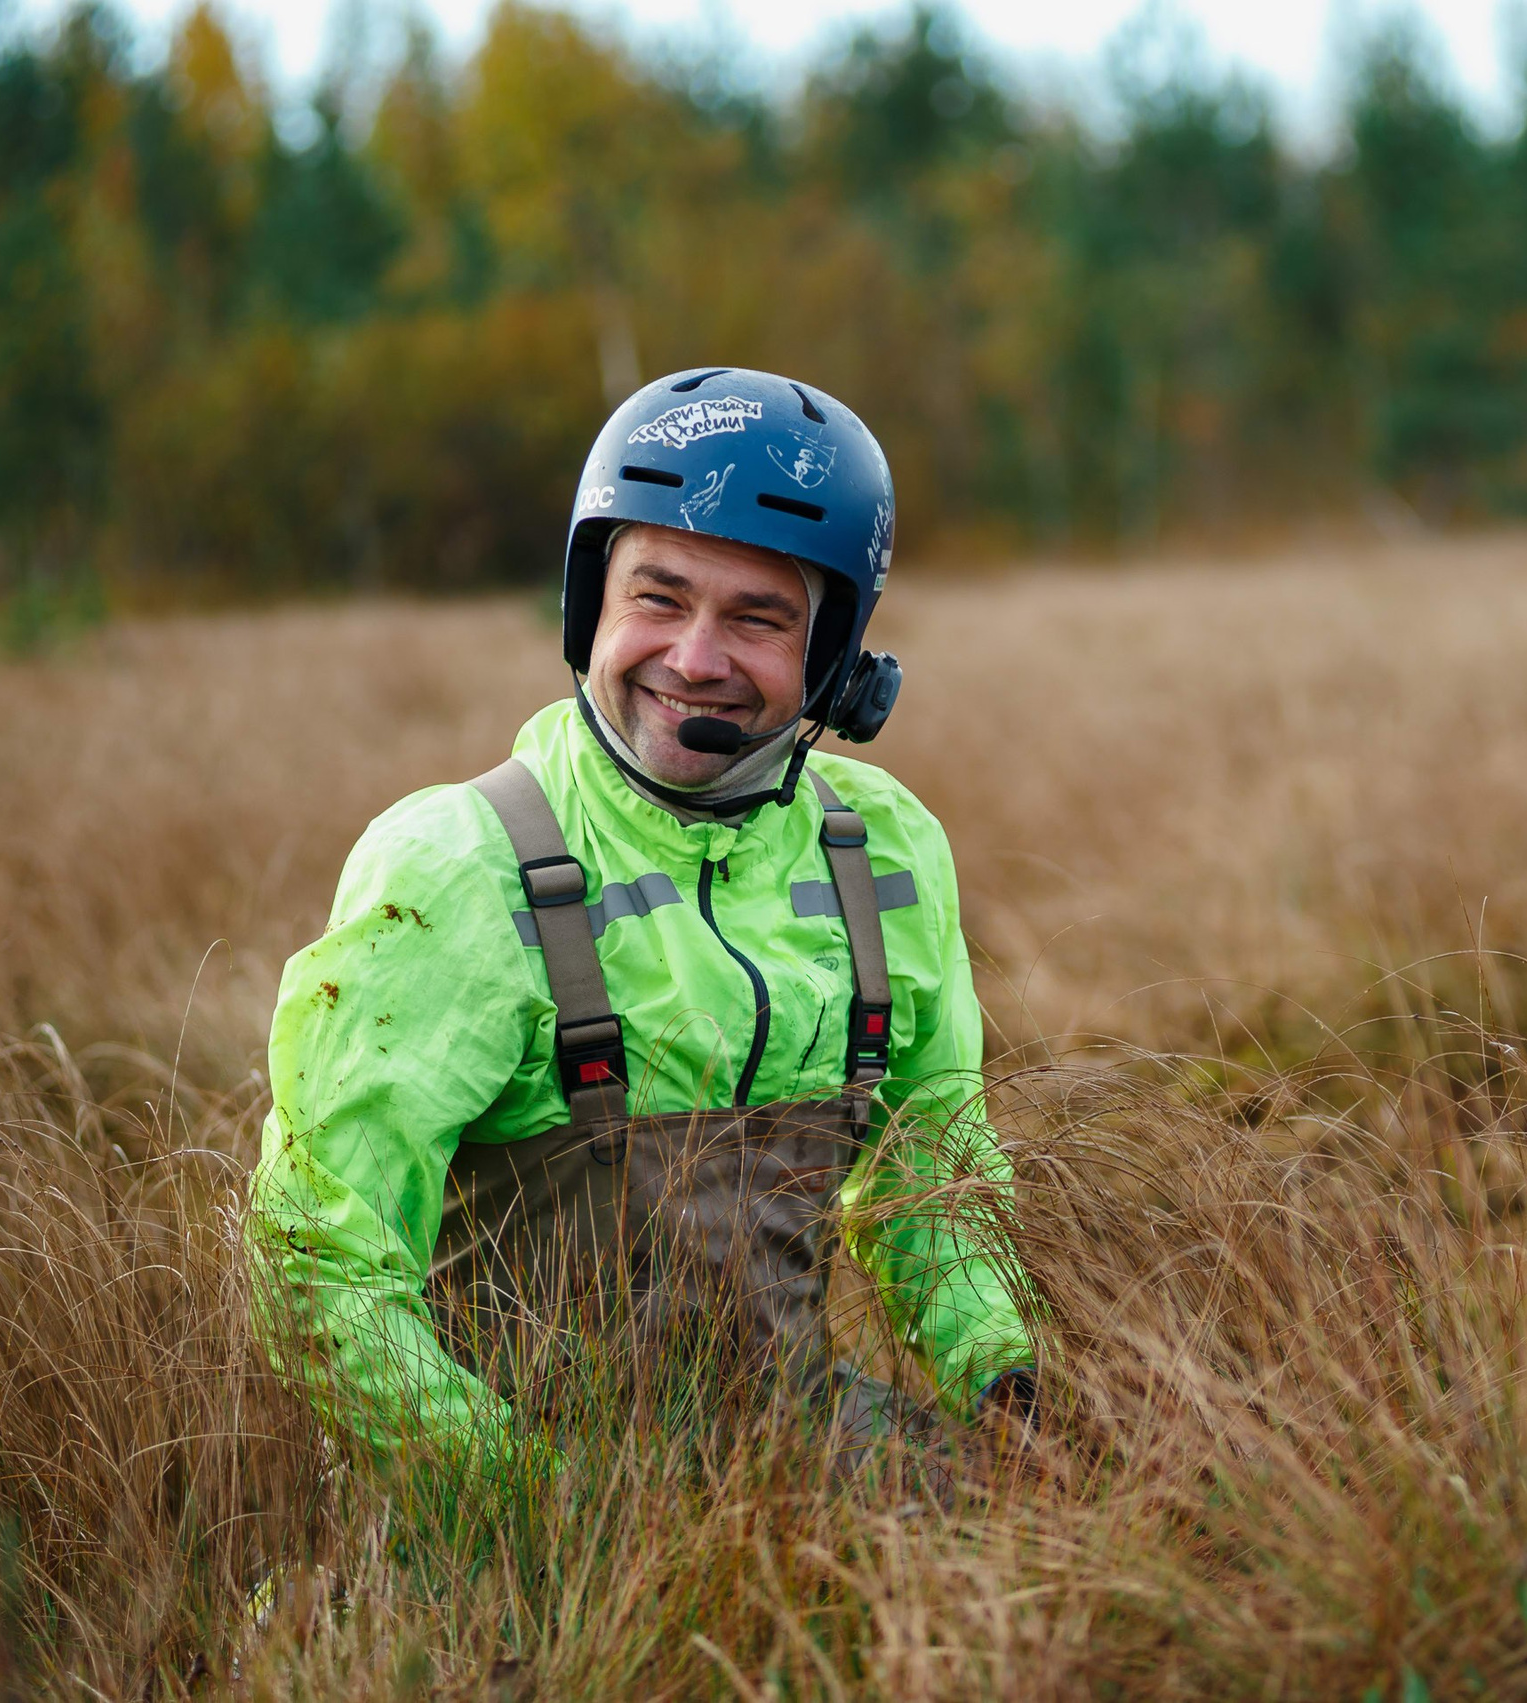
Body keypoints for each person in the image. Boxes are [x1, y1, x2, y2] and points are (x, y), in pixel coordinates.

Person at [247, 368, 1038, 1479]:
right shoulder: (455, 864)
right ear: (589, 605)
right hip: (506, 1491)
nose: (695, 659)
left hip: (792, 1453)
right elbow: (316, 1263)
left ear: (833, 659)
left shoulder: (887, 851)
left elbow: (930, 1179)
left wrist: (1007, 1382)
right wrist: (535, 1506)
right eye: (657, 599)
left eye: (757, 619)